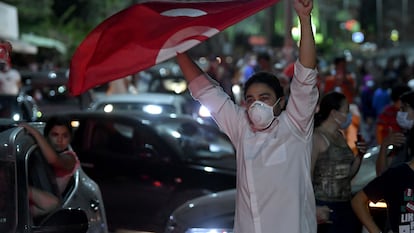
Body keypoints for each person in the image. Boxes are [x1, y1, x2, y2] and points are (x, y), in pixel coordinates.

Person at [176, 0, 318, 232]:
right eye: (250, 100)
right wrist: (178, 51)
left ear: (280, 104)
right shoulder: (241, 126)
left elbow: (306, 76)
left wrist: (304, 19)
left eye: (264, 98)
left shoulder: (295, 126)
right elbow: (205, 90)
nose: (256, 106)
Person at [311, 91, 366, 233]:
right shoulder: (317, 137)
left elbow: (347, 175)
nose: (349, 116)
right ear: (334, 113)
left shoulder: (340, 136)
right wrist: (312, 207)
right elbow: (307, 176)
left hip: (345, 205)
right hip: (325, 207)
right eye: (346, 111)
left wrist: (360, 156)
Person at [20, 116, 80, 217]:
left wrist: (35, 133)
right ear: (47, 136)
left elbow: (54, 160)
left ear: (70, 138)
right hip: (38, 200)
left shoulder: (70, 158)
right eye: (55, 135)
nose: (60, 140)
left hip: (49, 206)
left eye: (65, 136)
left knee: (52, 204)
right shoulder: (40, 153)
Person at [376, 90, 414, 176]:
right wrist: (384, 145)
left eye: (403, 108)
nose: (400, 113)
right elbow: (382, 174)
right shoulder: (402, 139)